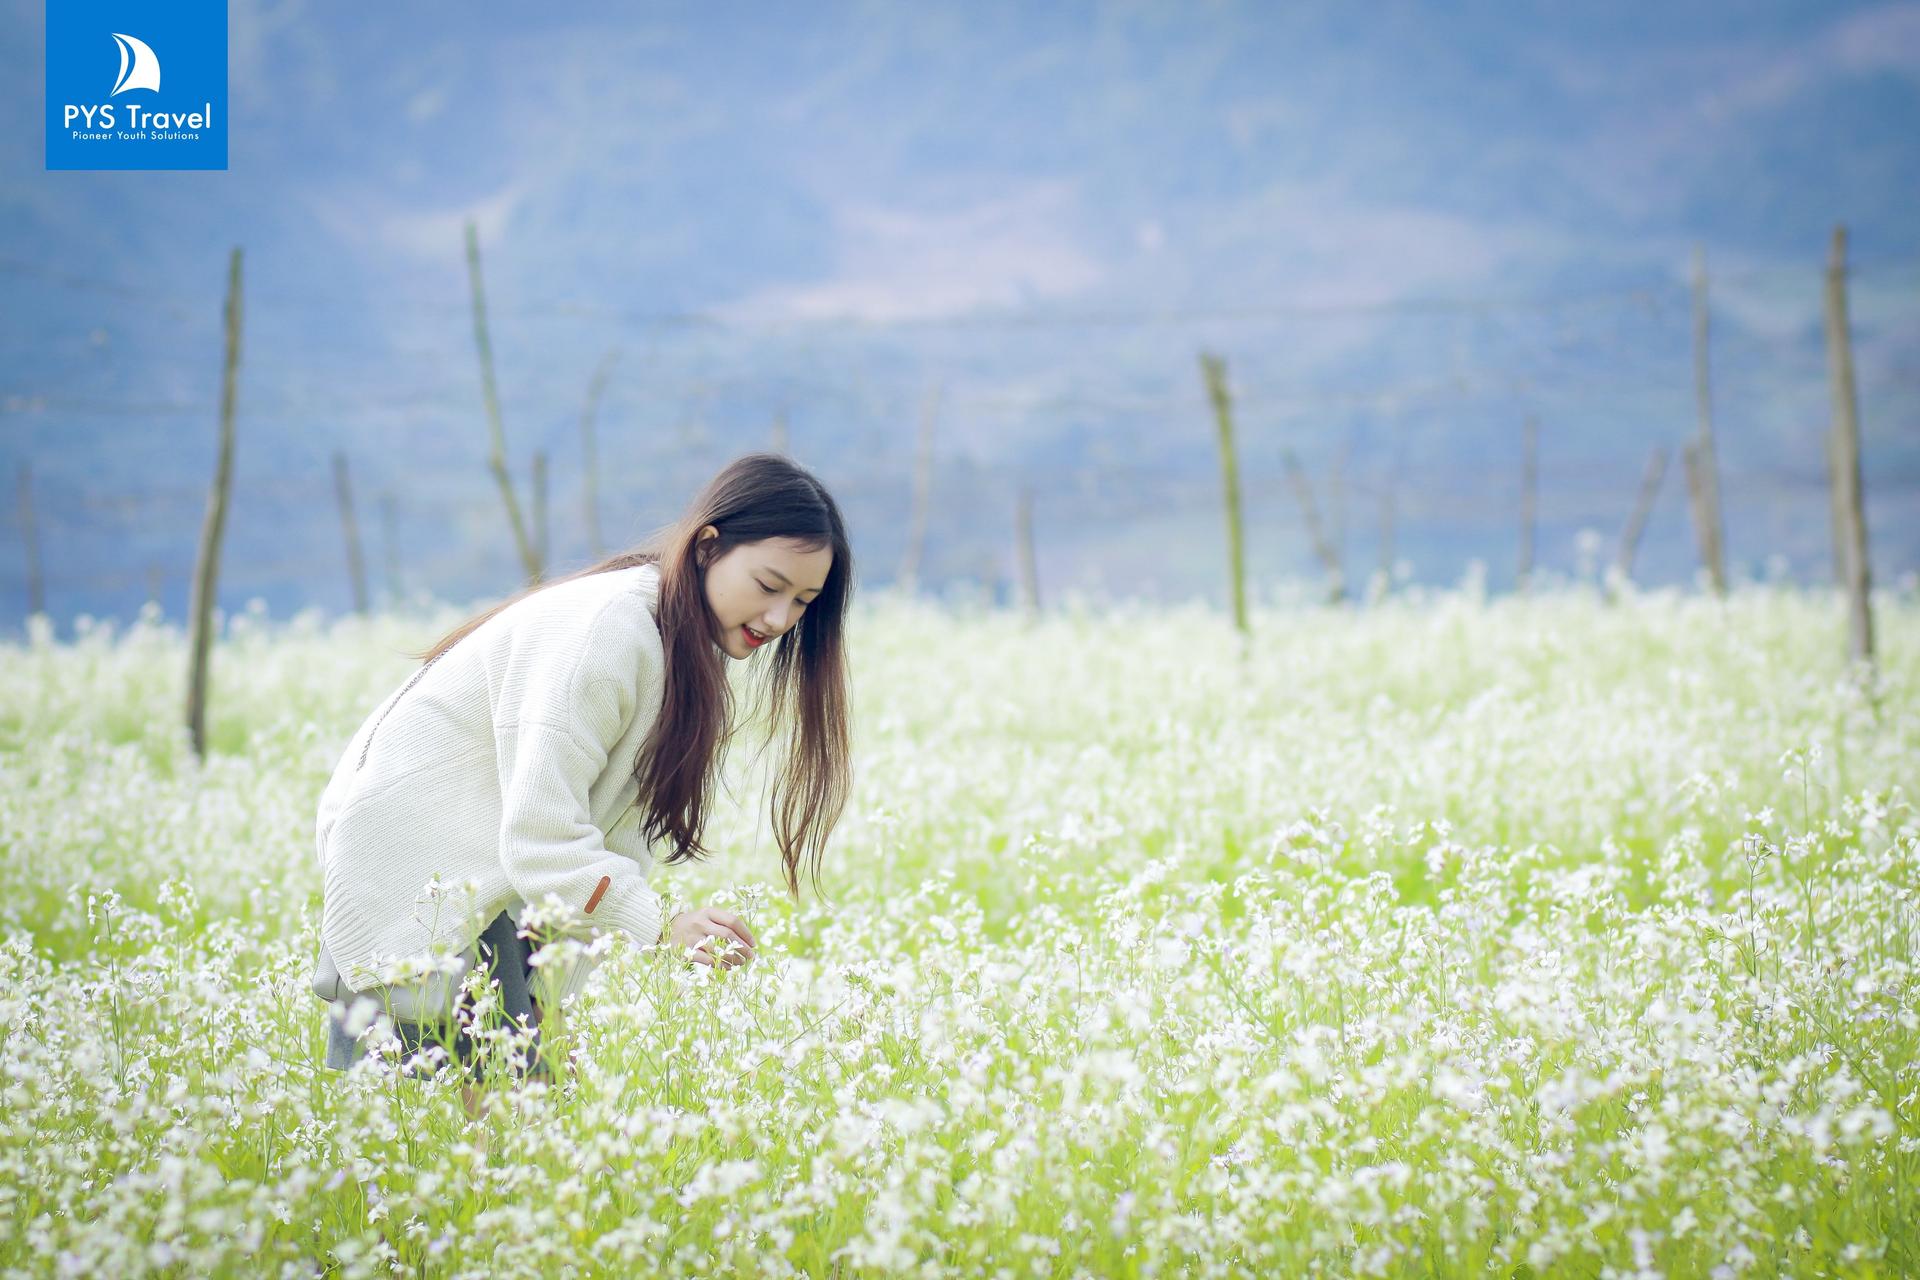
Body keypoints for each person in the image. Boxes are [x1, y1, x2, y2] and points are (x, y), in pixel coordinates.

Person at [309, 452, 853, 1088]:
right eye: (768, 586)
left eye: (803, 602)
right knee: (461, 1145)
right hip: (419, 880)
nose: (780, 619)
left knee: (518, 1131)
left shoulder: (678, 646)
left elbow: (609, 833)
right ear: (707, 546)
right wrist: (664, 926)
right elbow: (542, 841)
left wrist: (550, 997)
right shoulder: (607, 634)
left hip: (487, 884)